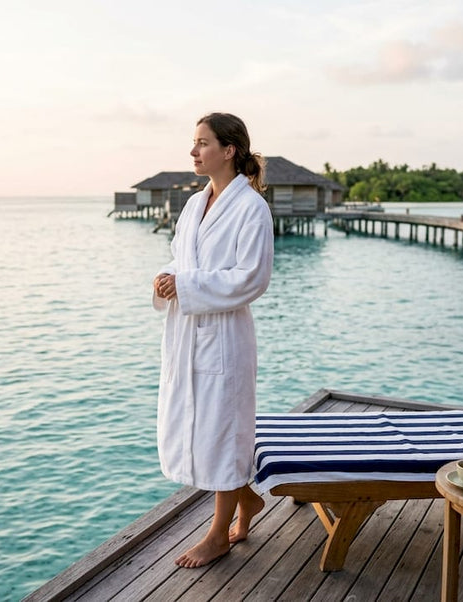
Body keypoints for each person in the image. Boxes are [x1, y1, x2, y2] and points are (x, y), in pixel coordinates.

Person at [152, 112, 274, 568]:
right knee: (201, 431)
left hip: (224, 338)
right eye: (194, 142)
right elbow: (179, 260)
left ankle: (219, 534)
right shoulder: (192, 205)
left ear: (229, 151)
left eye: (203, 143)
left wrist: (186, 286)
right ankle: (248, 501)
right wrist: (168, 279)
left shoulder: (251, 208)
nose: (193, 151)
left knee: (222, 433)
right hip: (188, 334)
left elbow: (252, 278)